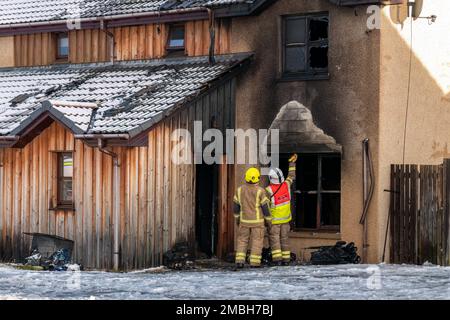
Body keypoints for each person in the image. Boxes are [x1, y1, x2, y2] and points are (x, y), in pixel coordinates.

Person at [233, 167, 272, 268]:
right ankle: (254, 263)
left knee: (242, 240)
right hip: (257, 222)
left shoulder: (239, 190)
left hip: (244, 221)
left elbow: (236, 207)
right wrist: (268, 221)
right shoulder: (260, 191)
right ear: (258, 178)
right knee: (257, 242)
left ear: (246, 177)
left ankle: (239, 261)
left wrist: (237, 219)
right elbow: (265, 208)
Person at [266, 154, 297, 265]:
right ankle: (286, 260)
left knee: (275, 242)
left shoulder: (268, 190)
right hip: (285, 220)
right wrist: (292, 163)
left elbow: (264, 205)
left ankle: (277, 260)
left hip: (274, 222)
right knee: (285, 240)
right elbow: (291, 176)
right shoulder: (286, 185)